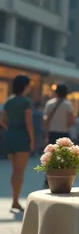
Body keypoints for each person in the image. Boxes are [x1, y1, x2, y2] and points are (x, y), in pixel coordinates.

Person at [0, 75, 34, 212]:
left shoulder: (8, 101)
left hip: (10, 136)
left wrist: (10, 128)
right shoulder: (26, 101)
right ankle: (15, 201)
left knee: (14, 170)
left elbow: (2, 120)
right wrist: (32, 140)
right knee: (20, 171)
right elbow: (29, 123)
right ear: (25, 86)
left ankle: (14, 199)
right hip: (22, 136)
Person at [42, 83, 75, 188]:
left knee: (51, 156)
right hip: (64, 133)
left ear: (56, 92)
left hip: (52, 132)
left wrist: (46, 134)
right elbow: (71, 121)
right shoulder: (68, 105)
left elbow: (45, 121)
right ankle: (62, 177)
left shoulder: (49, 104)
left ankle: (48, 177)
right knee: (64, 156)